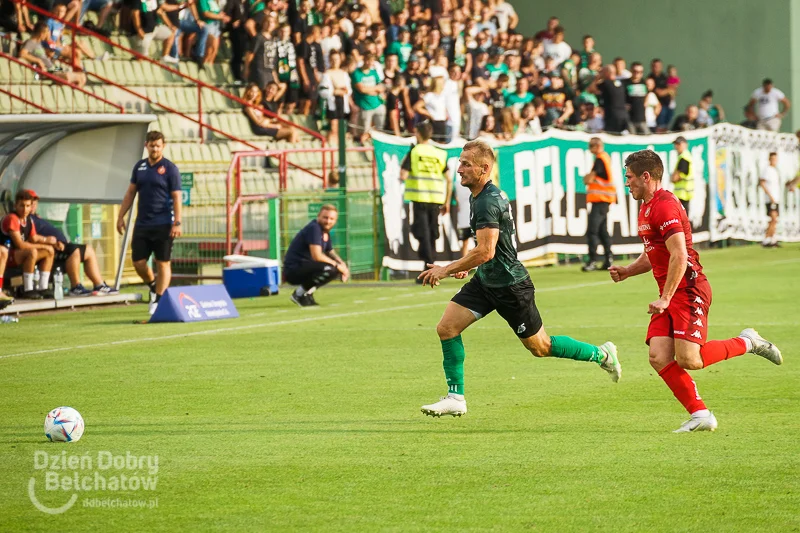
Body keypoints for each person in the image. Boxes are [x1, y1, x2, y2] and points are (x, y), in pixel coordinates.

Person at [417, 140, 621, 417]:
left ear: (484, 168)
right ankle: (455, 397)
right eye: (460, 162)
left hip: (511, 286)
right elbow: (488, 251)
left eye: (466, 163)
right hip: (486, 282)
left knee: (541, 347)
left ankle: (602, 354)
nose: (459, 168)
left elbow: (487, 251)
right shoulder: (479, 195)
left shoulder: (488, 200)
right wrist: (469, 266)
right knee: (447, 328)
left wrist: (447, 269)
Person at [610, 149, 782, 433]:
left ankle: (748, 342)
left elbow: (679, 255)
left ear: (646, 176)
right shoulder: (645, 206)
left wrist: (665, 298)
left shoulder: (665, 206)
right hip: (671, 293)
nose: (626, 183)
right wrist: (629, 271)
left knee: (690, 359)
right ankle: (700, 414)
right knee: (658, 355)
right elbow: (654, 252)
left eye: (629, 177)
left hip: (688, 290)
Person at [116, 131, 182, 316]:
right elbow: (130, 193)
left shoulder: (170, 169)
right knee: (138, 262)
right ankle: (153, 286)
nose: (155, 148)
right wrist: (121, 216)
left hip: (163, 224)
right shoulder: (140, 167)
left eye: (158, 145)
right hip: (142, 223)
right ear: (146, 146)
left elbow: (177, 197)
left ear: (163, 146)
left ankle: (159, 300)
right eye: (152, 145)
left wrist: (177, 222)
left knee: (163, 263)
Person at [28, 191, 118, 296]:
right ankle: (76, 287)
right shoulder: (27, 219)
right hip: (52, 248)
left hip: (61, 244)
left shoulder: (37, 217)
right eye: (31, 201)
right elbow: (31, 238)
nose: (34, 204)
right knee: (75, 251)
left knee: (88, 249)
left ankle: (99, 285)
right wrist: (49, 242)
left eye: (35, 201)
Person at [399, 121, 450, 281]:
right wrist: (447, 201)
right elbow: (448, 178)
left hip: (420, 197)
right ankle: (429, 266)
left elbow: (403, 175)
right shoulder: (439, 153)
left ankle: (429, 267)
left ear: (417, 133)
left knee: (422, 232)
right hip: (436, 198)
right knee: (432, 232)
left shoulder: (414, 152)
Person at [283, 204, 349, 307]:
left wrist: (343, 265)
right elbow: (317, 256)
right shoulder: (314, 229)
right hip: (294, 269)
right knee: (330, 269)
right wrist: (337, 265)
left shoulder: (325, 232)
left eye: (331, 219)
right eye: (325, 217)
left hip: (306, 267)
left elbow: (330, 251)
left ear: (335, 220)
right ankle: (298, 295)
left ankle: (307, 294)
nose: (328, 221)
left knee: (334, 270)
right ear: (318, 216)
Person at [0, 190, 56, 300]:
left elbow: (33, 238)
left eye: (27, 206)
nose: (25, 209)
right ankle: (28, 288)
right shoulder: (12, 218)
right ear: (16, 205)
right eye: (22, 206)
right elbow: (20, 244)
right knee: (32, 252)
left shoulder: (28, 219)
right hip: (7, 254)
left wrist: (47, 240)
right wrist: (43, 246)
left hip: (17, 255)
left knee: (49, 251)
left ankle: (42, 287)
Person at [581, 138, 615, 272]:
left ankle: (592, 260)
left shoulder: (600, 159)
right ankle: (608, 259)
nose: (589, 149)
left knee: (592, 231)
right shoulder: (604, 158)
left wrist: (589, 177)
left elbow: (587, 179)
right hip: (604, 200)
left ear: (597, 146)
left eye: (591, 146)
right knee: (602, 231)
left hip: (601, 200)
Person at [759, 152, 782, 248]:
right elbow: (762, 183)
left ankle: (773, 239)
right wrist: (770, 196)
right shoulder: (767, 170)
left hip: (776, 198)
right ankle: (766, 239)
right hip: (770, 199)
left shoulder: (775, 170)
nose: (774, 161)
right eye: (773, 159)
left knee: (775, 219)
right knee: (773, 218)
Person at [670, 136, 693, 213]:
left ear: (685, 144)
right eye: (676, 144)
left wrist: (673, 177)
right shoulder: (685, 156)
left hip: (683, 194)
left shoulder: (684, 157)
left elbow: (676, 177)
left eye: (678, 144)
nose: (676, 146)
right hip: (683, 194)